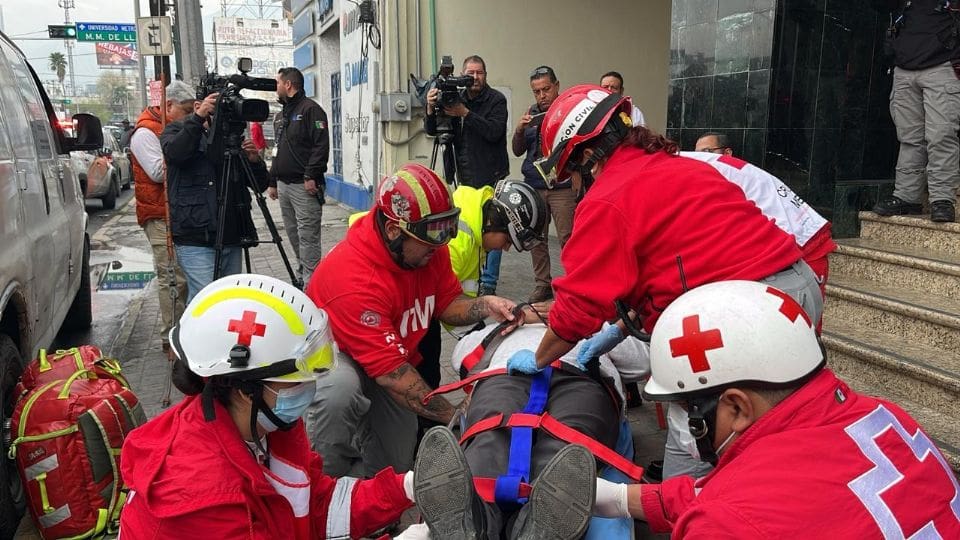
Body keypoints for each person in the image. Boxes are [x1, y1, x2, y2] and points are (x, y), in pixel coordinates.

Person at [507, 85, 823, 481]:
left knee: (694, 442)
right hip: (793, 292)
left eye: (569, 169)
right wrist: (613, 335)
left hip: (744, 319)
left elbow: (579, 308)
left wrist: (539, 358)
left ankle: (693, 511)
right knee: (775, 436)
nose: (570, 181)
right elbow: (672, 270)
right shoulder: (679, 167)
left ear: (587, 157)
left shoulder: (607, 200)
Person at [591, 280, 960, 538]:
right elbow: (766, 496)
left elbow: (742, 508)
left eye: (689, 408)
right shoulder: (885, 418)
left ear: (736, 407)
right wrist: (619, 499)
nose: (687, 423)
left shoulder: (727, 524)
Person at [119, 274, 419, 539]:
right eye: (296, 382)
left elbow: (315, 507)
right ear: (245, 390)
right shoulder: (204, 497)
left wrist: (405, 487)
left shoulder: (265, 427)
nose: (309, 391)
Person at [303, 164, 536, 478]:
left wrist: (485, 305)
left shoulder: (427, 247)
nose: (442, 244)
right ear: (394, 231)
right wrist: (455, 413)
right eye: (435, 234)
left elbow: (446, 304)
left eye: (447, 228)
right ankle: (324, 486)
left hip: (389, 356)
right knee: (338, 393)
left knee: (397, 460)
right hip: (341, 356)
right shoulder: (356, 280)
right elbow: (395, 376)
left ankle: (372, 495)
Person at [413, 320, 650, 539]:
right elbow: (462, 356)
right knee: (489, 441)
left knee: (568, 451)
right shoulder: (502, 327)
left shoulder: (596, 323)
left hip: (580, 376)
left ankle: (526, 522)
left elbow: (642, 363)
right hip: (506, 374)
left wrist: (598, 326)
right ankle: (477, 521)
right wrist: (508, 324)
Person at [680, 148, 836, 310]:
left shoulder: (681, 168)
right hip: (787, 226)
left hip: (799, 237)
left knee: (796, 327)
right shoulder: (686, 161)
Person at [162, 89, 269, 302]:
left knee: (231, 300)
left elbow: (260, 186)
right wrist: (198, 119)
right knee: (207, 301)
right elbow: (176, 153)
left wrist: (254, 161)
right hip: (196, 235)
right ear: (198, 107)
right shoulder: (177, 130)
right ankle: (195, 336)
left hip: (232, 233)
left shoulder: (232, 139)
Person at [425, 54, 509, 296]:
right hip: (462, 176)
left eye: (479, 73)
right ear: (461, 75)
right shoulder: (455, 97)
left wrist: (465, 114)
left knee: (493, 227)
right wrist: (431, 107)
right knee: (469, 228)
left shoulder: (496, 100)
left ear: (486, 75)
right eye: (469, 73)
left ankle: (489, 284)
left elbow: (493, 132)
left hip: (491, 175)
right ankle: (470, 274)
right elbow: (433, 130)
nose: (474, 77)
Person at [874, 0, 959, 223]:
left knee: (941, 136)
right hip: (904, 69)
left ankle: (942, 199)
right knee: (910, 138)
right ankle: (907, 197)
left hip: (942, 67)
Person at [128, 80, 190, 355]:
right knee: (171, 276)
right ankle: (171, 337)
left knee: (182, 276)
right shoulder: (145, 133)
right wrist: (182, 151)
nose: (189, 116)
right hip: (158, 213)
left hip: (176, 212)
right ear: (168, 106)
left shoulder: (168, 127)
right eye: (186, 110)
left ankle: (182, 329)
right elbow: (156, 172)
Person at [512, 65, 574, 303]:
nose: (542, 95)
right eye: (536, 91)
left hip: (561, 186)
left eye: (546, 89)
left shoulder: (569, 110)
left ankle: (571, 285)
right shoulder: (531, 114)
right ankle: (542, 284)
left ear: (556, 86)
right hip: (535, 185)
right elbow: (518, 150)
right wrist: (519, 130)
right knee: (535, 238)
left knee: (568, 238)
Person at [268, 67, 330, 286]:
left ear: (288, 85)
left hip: (304, 187)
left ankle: (312, 284)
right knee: (293, 234)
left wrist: (311, 174)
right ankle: (303, 273)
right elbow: (278, 148)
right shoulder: (282, 113)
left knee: (307, 235)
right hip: (284, 186)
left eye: (277, 83)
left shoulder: (311, 110)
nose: (275, 88)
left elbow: (321, 146)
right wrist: (272, 181)